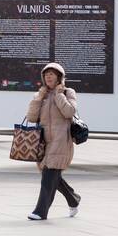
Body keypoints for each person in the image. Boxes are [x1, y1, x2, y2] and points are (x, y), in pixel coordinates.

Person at [26, 62, 81, 221]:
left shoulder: (68, 92)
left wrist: (58, 95)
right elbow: (31, 117)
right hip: (43, 142)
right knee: (52, 176)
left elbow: (69, 112)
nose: (48, 76)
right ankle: (73, 199)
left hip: (61, 140)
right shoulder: (41, 94)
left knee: (48, 175)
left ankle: (40, 212)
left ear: (59, 77)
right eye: (46, 74)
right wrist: (39, 98)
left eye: (52, 74)